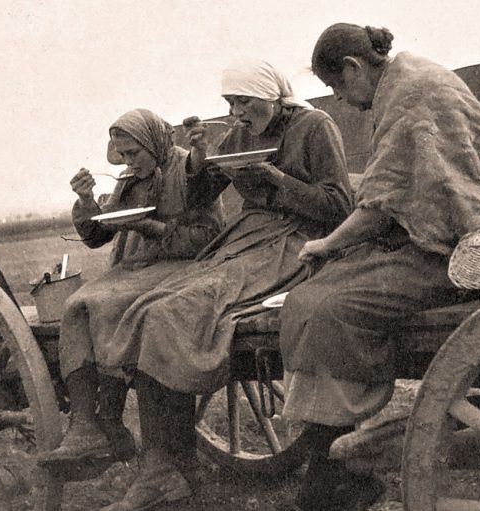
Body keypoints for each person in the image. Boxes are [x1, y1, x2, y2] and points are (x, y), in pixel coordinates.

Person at [278, 23, 480, 510]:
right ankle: (329, 460)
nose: (342, 101)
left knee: (324, 303)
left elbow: (382, 201)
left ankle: (335, 467)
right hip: (477, 224)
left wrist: (327, 244)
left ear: (353, 68)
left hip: (466, 246)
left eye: (338, 88)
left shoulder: (409, 97)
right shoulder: (418, 74)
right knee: (327, 291)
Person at [99, 59, 353, 510]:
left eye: (245, 102)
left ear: (272, 96)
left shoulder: (316, 126)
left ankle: (169, 471)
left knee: (175, 310)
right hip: (247, 238)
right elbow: (200, 196)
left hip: (297, 241)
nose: (237, 112)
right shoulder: (239, 136)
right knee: (152, 305)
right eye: (230, 103)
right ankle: (165, 466)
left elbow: (339, 205)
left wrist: (276, 179)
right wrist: (199, 156)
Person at [39, 108, 224, 464]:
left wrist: (153, 230)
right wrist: (87, 202)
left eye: (133, 153)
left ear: (154, 142)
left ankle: (110, 415)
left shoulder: (191, 170)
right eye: (122, 155)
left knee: (110, 304)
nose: (128, 162)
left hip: (187, 267)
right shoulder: (129, 181)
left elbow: (210, 238)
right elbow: (97, 236)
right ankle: (85, 425)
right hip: (138, 267)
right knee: (77, 305)